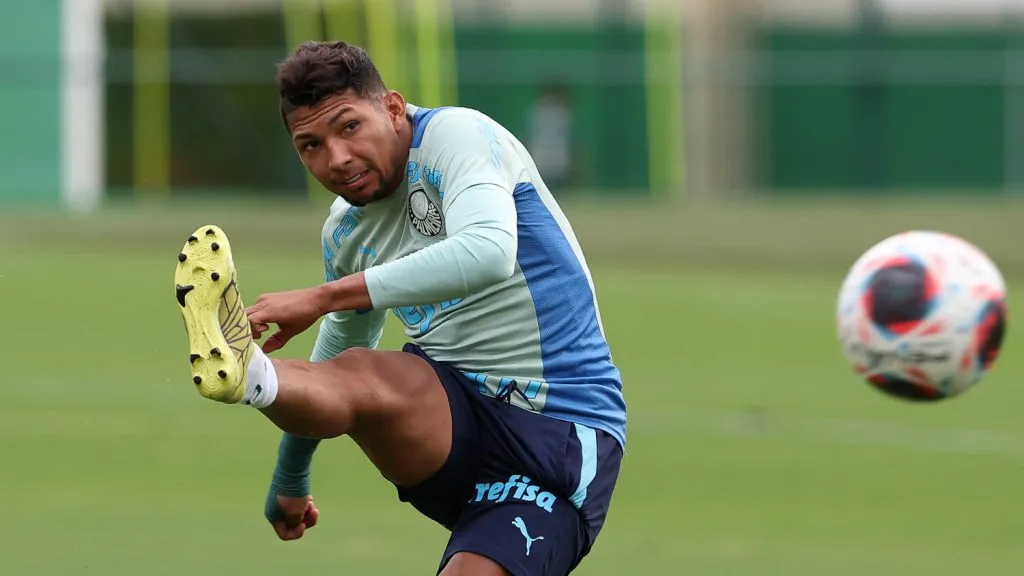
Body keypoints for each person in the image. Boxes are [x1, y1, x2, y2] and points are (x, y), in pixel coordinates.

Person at [172, 40, 626, 576]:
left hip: (560, 431)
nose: (337, 158)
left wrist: (320, 297)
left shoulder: (456, 137)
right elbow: (338, 364)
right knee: (365, 371)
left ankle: (250, 370)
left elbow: (489, 251)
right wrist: (290, 475)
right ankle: (249, 374)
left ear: (391, 107)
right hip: (446, 424)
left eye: (349, 127)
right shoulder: (345, 230)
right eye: (310, 145)